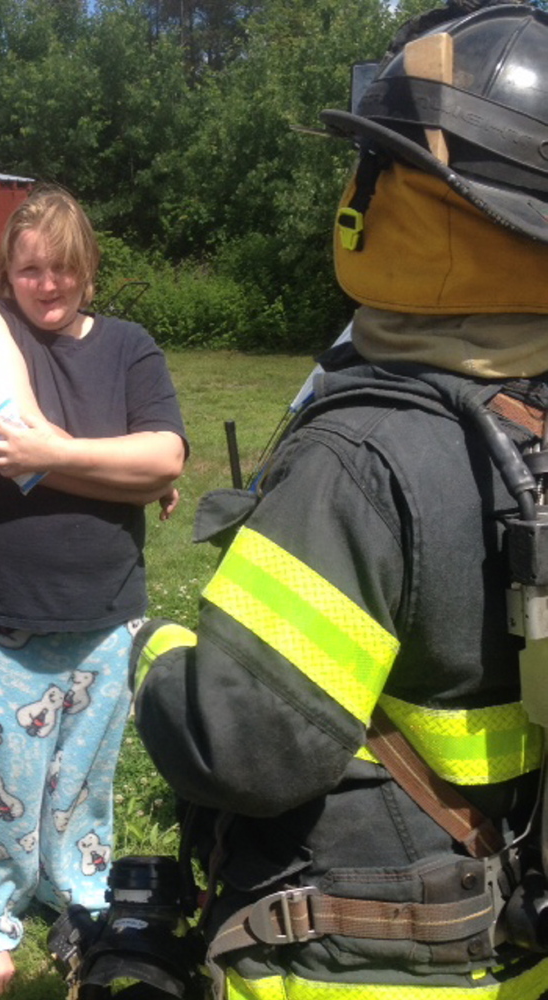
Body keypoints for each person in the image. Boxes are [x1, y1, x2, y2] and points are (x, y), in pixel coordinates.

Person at [130, 2, 548, 998]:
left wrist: (153, 659)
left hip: (360, 958)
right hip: (508, 942)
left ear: (405, 199)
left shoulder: (358, 455)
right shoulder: (524, 418)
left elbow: (248, 746)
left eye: (372, 163)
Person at [0, 185, 187, 992]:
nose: (48, 284)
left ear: (89, 270)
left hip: (105, 602)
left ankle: (76, 892)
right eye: (31, 268)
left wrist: (118, 463)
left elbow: (168, 459)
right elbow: (12, 447)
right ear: (8, 270)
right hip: (0, 601)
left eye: (64, 268)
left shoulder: (131, 347)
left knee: (84, 775)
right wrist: (121, 468)